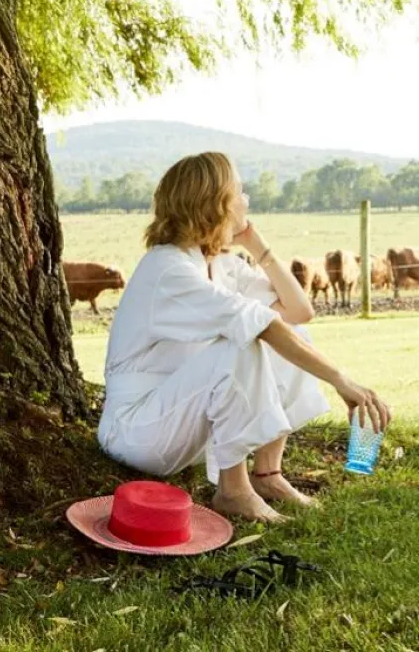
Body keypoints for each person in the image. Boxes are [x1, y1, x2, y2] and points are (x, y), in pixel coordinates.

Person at [97, 152, 391, 524]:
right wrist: (340, 380)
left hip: (180, 419)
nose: (246, 201)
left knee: (290, 334)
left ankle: (267, 474)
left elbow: (298, 311)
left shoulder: (217, 266)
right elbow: (262, 326)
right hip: (137, 431)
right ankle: (233, 492)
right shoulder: (167, 270)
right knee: (242, 343)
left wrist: (255, 243)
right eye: (239, 192)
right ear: (215, 204)